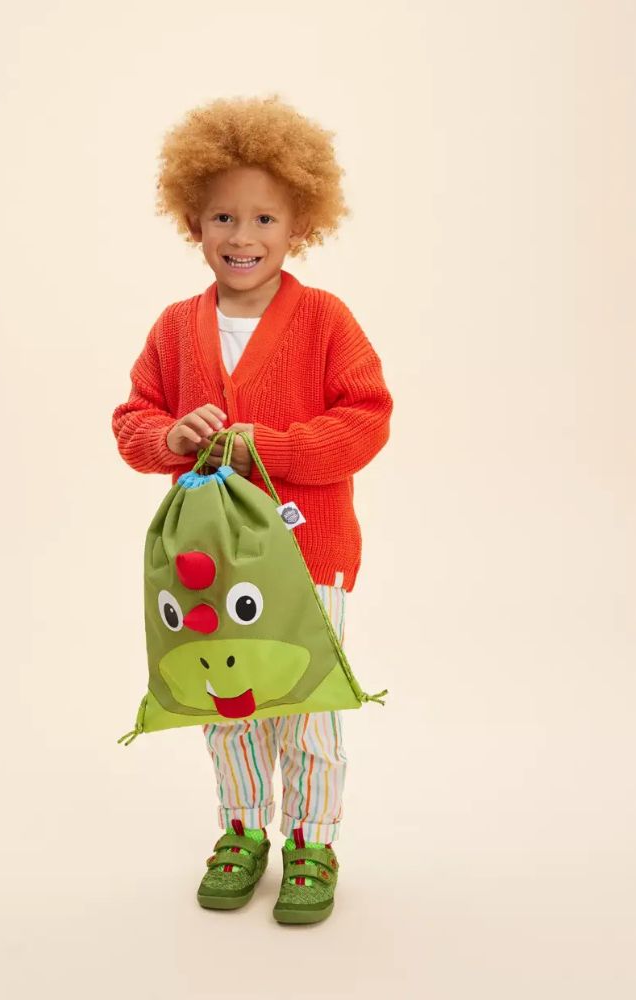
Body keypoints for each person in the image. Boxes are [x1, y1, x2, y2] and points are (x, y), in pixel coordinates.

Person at [111, 94, 393, 924]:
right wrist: (170, 437)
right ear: (191, 222)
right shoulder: (175, 329)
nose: (243, 236)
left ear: (299, 226)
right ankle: (241, 828)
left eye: (265, 217)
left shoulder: (324, 320)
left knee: (305, 710)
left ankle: (312, 838)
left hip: (310, 558)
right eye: (223, 217)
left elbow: (364, 420)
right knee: (228, 709)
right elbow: (132, 422)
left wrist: (265, 446)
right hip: (212, 563)